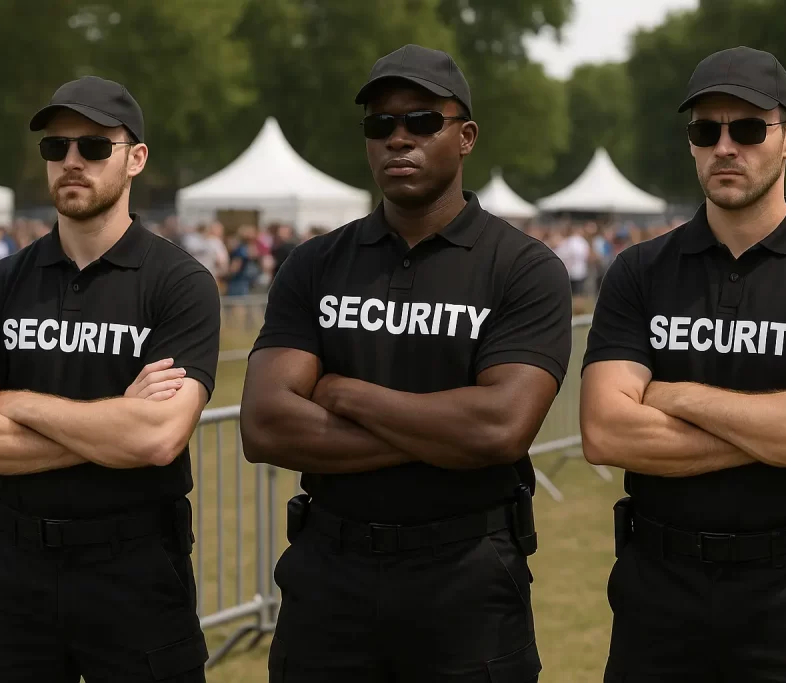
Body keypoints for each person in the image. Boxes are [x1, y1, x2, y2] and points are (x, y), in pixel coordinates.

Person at [240, 44, 572, 682]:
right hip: (328, 577)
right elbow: (265, 426)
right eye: (380, 124)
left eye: (421, 120)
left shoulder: (523, 268)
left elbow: (500, 427)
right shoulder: (315, 263)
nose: (398, 138)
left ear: (465, 137)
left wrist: (345, 393)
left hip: (466, 578)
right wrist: (441, 437)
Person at [580, 46, 786, 682]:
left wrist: (670, 394)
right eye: (706, 131)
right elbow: (606, 433)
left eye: (748, 129)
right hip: (658, 595)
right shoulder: (640, 271)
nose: (725, 147)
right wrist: (784, 425)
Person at [0, 75, 221, 683]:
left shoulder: (179, 283)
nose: (71, 161)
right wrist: (112, 426)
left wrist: (14, 402)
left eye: (93, 147)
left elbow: (155, 439)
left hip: (136, 571)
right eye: (55, 147)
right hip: (15, 574)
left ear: (135, 159)